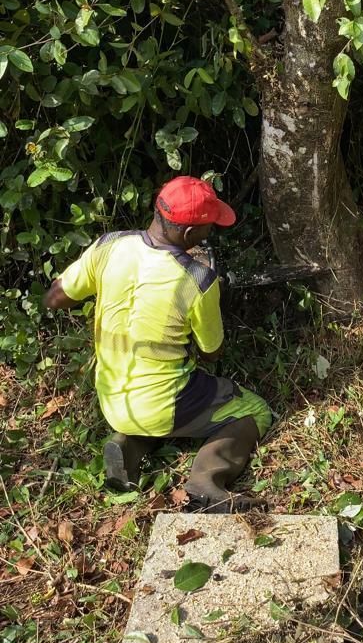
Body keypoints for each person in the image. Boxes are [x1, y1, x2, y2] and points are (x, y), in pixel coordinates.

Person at [43, 175, 271, 512]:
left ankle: (127, 444)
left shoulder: (109, 245)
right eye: (209, 227)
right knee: (254, 410)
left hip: (112, 400)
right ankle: (205, 485)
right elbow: (212, 353)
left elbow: (55, 298)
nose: (211, 232)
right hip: (166, 403)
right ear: (191, 234)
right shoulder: (197, 278)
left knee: (153, 409)